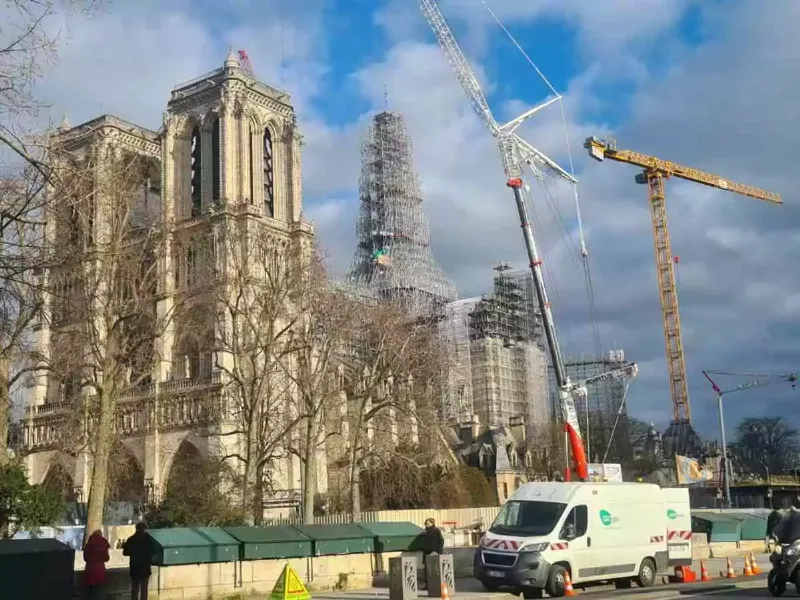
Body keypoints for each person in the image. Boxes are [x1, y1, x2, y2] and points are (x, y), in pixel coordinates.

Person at [123, 521, 154, 600]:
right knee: (144, 590)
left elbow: (125, 552)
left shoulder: (131, 539)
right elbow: (153, 550)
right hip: (145, 567)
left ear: (136, 528)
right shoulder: (149, 539)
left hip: (134, 567)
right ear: (144, 528)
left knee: (134, 590)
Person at [83, 529, 110, 599]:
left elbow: (85, 558)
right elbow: (106, 558)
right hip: (99, 570)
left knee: (88, 593)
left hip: (89, 569)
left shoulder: (88, 544)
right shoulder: (103, 543)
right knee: (98, 592)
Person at [420, 518, 445, 590]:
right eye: (426, 523)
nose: (426, 525)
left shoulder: (436, 531)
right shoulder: (425, 532)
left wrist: (437, 551)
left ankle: (435, 584)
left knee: (434, 570)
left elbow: (441, 541)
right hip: (426, 553)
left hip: (434, 553)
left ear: (432, 523)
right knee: (427, 570)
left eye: (428, 523)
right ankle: (427, 585)